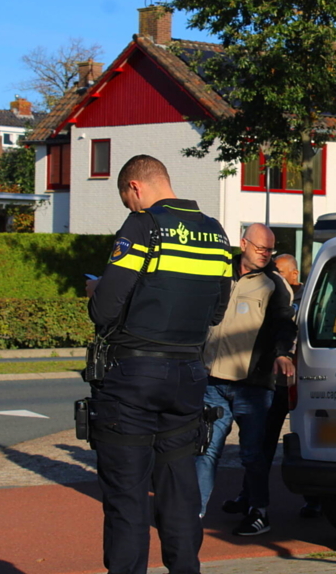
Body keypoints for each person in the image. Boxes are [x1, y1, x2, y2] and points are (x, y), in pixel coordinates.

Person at [85, 154, 232, 574]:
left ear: (136, 187)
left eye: (128, 200)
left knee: (127, 495)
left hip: (132, 379)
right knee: (179, 489)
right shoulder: (216, 233)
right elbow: (217, 312)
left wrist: (96, 289)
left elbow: (107, 309)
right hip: (188, 376)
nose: (130, 208)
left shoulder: (143, 226)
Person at [195, 223, 296, 536]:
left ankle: (259, 511)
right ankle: (193, 513)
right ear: (243, 244)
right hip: (212, 381)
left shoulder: (274, 285)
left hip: (251, 385)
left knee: (252, 453)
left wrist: (282, 354)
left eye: (270, 249)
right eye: (260, 248)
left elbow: (284, 324)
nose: (266, 254)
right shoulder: (219, 275)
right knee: (207, 449)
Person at [266, 254, 321, 518]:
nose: (273, 274)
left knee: (311, 438)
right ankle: (251, 496)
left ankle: (314, 499)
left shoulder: (308, 298)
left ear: (294, 274)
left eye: (278, 270)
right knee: (263, 439)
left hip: (305, 379)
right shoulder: (272, 295)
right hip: (277, 380)